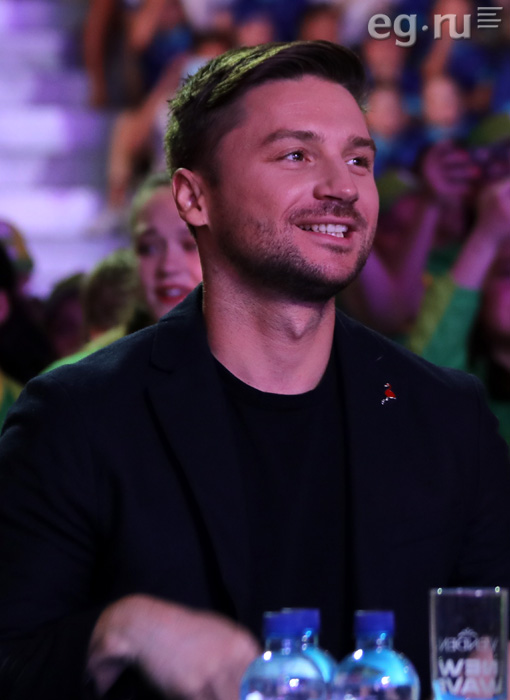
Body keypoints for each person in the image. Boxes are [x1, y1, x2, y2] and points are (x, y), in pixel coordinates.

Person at [0, 40, 510, 700]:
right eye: (297, 155)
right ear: (194, 197)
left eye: (359, 159)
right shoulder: (78, 417)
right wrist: (120, 629)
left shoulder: (446, 418)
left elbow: (487, 662)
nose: (343, 187)